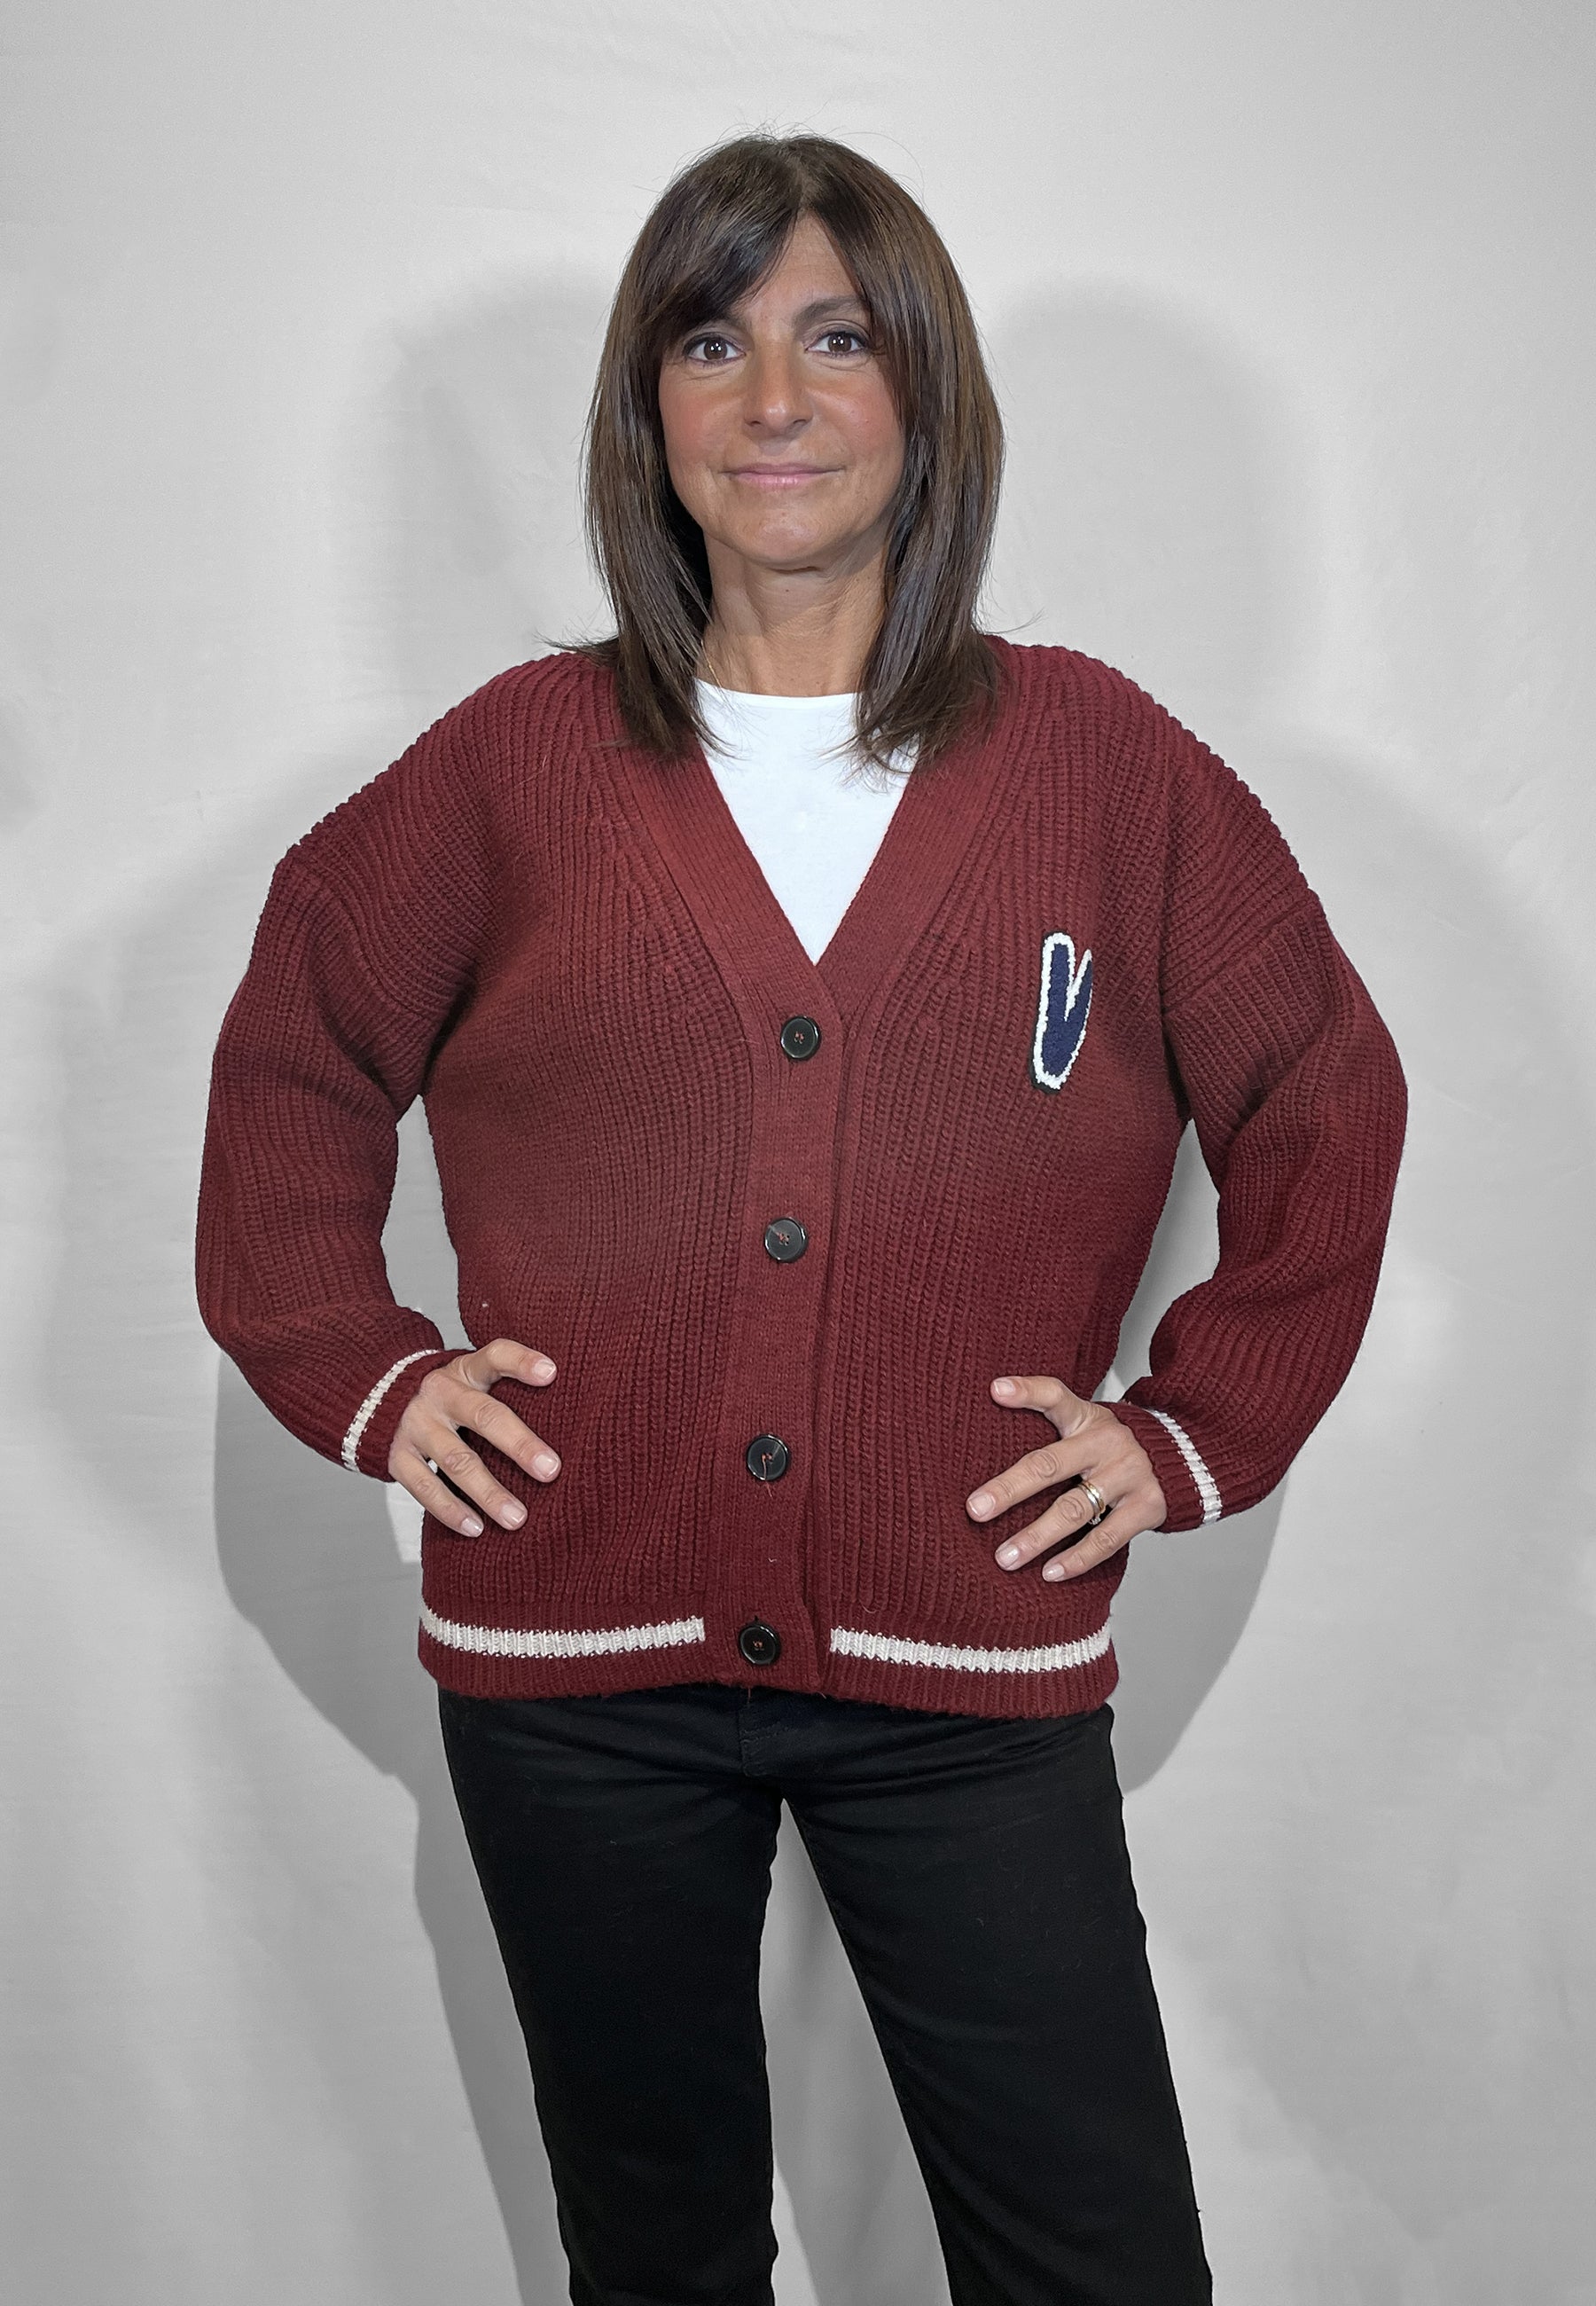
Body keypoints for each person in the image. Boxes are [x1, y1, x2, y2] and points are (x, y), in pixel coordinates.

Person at [197, 130, 1405, 2306]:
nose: (775, 400)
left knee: (1097, 2255)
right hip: (574, 1671)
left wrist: (1191, 1429)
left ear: (924, 393)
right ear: (646, 410)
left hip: (971, 1651)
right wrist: (365, 1375)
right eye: (713, 342)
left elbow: (1324, 1087)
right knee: (658, 2255)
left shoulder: (1105, 766)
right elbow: (298, 1043)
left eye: (839, 340)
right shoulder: (515, 765)